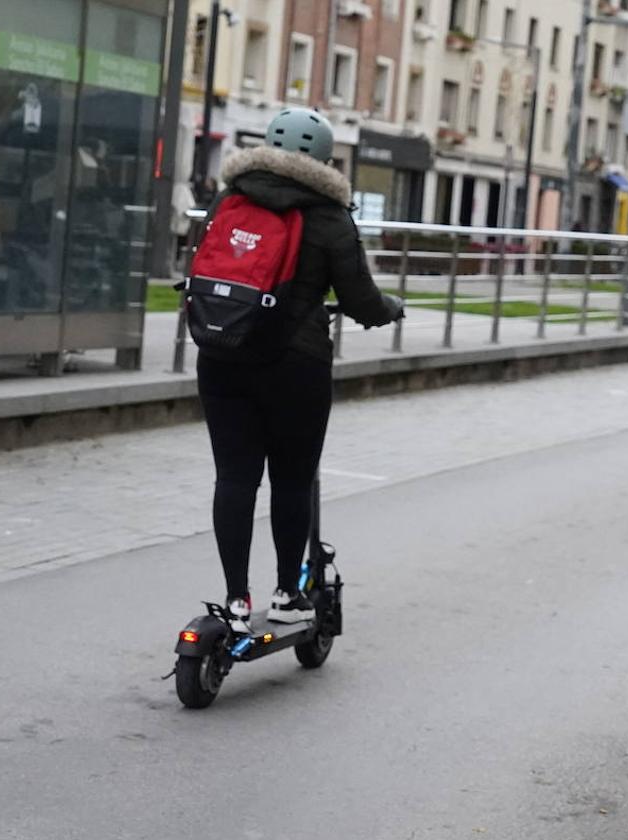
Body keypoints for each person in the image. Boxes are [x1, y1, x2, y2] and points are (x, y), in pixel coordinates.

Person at [197, 108, 402, 631]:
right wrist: (391, 309)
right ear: (326, 159)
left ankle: (236, 601)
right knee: (291, 480)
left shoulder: (231, 197)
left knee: (235, 478)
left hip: (222, 353)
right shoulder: (330, 215)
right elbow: (360, 299)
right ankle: (288, 592)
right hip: (295, 364)